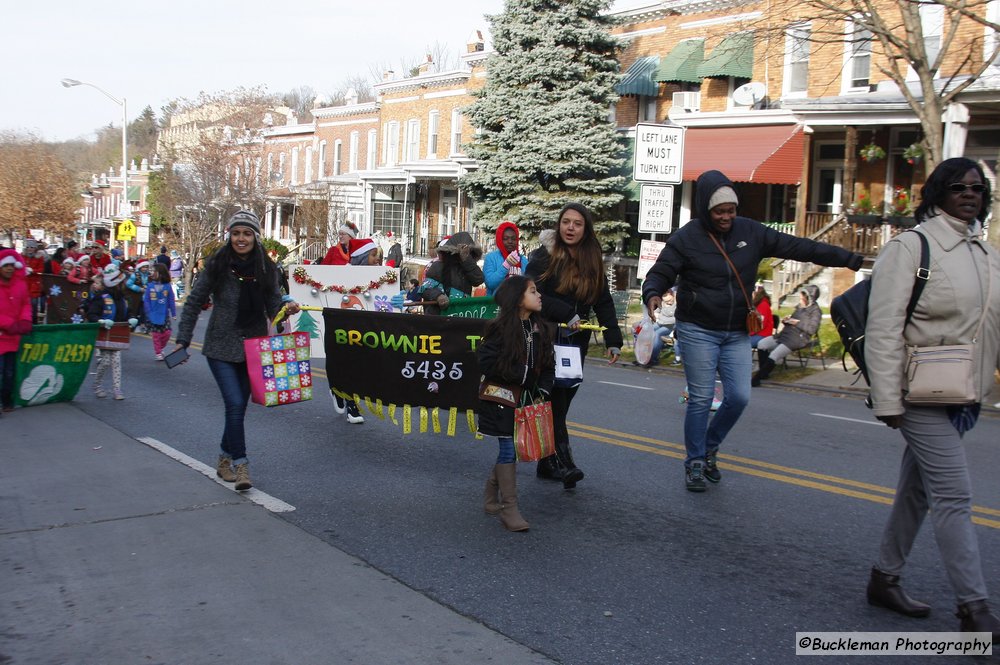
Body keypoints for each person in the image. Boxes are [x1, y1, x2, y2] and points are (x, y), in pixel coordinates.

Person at [642, 170, 863, 492]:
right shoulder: (687, 238)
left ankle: (710, 446)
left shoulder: (751, 232)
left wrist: (848, 259)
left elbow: (800, 247)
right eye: (719, 212)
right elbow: (661, 271)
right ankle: (695, 463)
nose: (726, 217)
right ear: (705, 209)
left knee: (740, 397)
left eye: (731, 210)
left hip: (735, 330)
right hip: (698, 328)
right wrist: (652, 294)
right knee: (701, 398)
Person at [864, 157, 1000, 640]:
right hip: (919, 391)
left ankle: (885, 577)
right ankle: (974, 608)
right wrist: (887, 400)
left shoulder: (985, 254)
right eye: (959, 186)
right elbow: (883, 327)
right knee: (954, 496)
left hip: (963, 394)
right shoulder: (912, 247)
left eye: (978, 188)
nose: (970, 194)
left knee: (918, 492)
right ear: (938, 193)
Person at [173, 211, 299, 492]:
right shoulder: (217, 265)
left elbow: (274, 306)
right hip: (220, 346)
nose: (241, 239)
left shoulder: (267, 268)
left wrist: (286, 311)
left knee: (238, 407)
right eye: (236, 234)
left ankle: (223, 458)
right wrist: (182, 339)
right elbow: (194, 302)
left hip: (252, 348)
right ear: (229, 235)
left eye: (247, 234)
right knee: (234, 404)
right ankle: (241, 465)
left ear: (255, 237)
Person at [525, 203, 623, 489]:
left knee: (563, 401)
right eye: (565, 222)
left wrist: (613, 341)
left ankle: (548, 462)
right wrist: (565, 313)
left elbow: (603, 300)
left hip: (574, 343)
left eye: (577, 223)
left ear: (585, 228)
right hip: (547, 337)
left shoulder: (591, 258)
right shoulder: (545, 255)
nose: (570, 228)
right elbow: (531, 290)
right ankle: (564, 463)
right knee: (553, 399)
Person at [477, 275, 555, 532]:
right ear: (517, 299)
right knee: (510, 449)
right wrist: (523, 375)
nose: (539, 295)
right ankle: (509, 509)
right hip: (501, 400)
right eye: (533, 291)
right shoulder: (500, 328)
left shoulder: (541, 329)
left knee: (512, 451)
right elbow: (487, 362)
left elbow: (548, 365)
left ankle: (490, 496)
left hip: (526, 402)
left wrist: (542, 387)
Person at [751, 285, 820, 386]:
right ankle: (764, 372)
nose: (800, 300)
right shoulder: (799, 308)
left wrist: (796, 323)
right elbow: (793, 321)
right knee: (762, 344)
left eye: (802, 298)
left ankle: (757, 378)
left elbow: (812, 329)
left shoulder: (816, 312)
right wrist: (787, 321)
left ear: (808, 298)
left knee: (774, 355)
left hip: (797, 339)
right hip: (784, 335)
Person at [86, 265, 132, 400]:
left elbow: (127, 312)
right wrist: (101, 321)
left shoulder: (123, 298)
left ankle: (117, 389)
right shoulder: (101, 297)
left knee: (116, 361)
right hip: (104, 334)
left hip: (117, 334)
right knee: (105, 361)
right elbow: (92, 313)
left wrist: (132, 318)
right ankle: (97, 385)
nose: (124, 284)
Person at [420, 231, 484, 315]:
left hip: (460, 315)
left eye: (468, 254)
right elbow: (425, 289)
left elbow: (478, 280)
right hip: (439, 315)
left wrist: (467, 260)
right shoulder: (438, 266)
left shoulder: (468, 269)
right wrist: (438, 296)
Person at [0, 250, 32, 415]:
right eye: (6, 266)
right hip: (2, 333)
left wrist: (25, 320)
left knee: (9, 371)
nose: (9, 269)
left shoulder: (20, 284)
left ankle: (7, 400)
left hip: (13, 337)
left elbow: (25, 303)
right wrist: (8, 323)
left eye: (11, 265)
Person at [483, 221, 528, 296]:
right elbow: (490, 283)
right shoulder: (491, 258)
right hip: (496, 304)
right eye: (505, 238)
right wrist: (506, 265)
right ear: (500, 240)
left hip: (518, 304)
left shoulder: (523, 260)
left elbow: (528, 285)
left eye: (513, 239)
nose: (510, 241)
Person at [144, 263, 176, 361]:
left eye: (154, 271)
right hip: (153, 315)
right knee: (156, 335)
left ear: (160, 273)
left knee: (167, 333)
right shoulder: (150, 286)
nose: (152, 273)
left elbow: (171, 299)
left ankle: (161, 347)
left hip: (164, 314)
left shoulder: (167, 286)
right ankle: (158, 352)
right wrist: (149, 312)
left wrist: (173, 313)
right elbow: (147, 300)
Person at [646, 288, 681, 366]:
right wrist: (655, 314)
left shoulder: (678, 302)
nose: (668, 303)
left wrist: (661, 318)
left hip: (671, 326)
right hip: (660, 323)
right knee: (646, 330)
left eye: (669, 300)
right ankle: (643, 355)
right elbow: (656, 311)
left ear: (673, 296)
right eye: (666, 301)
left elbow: (676, 319)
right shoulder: (662, 302)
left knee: (657, 333)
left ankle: (653, 359)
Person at [127, 260, 152, 329]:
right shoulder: (135, 275)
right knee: (135, 310)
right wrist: (138, 289)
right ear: (140, 267)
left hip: (146, 297)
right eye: (143, 267)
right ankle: (133, 325)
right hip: (136, 296)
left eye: (146, 267)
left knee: (144, 311)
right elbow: (128, 284)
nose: (145, 269)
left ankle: (143, 323)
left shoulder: (149, 275)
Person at [749, 284, 773, 349]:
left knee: (740, 344)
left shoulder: (763, 305)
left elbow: (760, 324)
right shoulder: (760, 304)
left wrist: (749, 333)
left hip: (763, 335)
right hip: (759, 333)